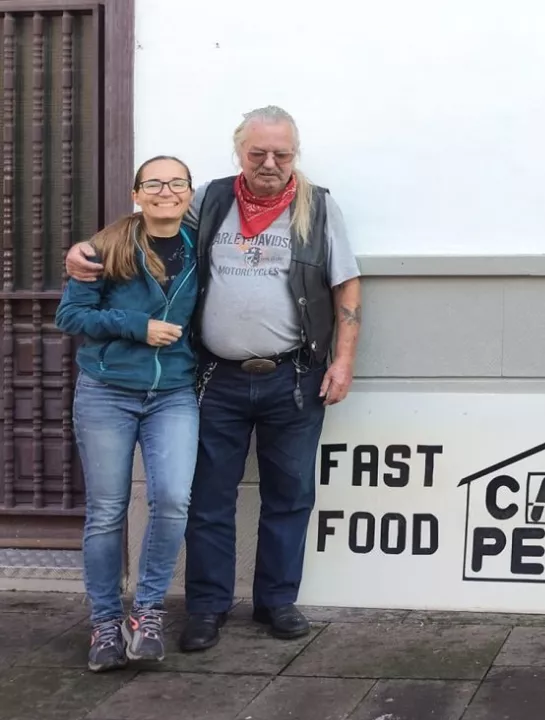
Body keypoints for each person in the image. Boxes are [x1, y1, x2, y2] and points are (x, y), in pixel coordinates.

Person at [65, 105, 363, 653]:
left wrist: (343, 361)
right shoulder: (211, 198)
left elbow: (346, 286)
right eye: (257, 153)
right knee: (206, 499)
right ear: (239, 152)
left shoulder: (318, 207)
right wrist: (84, 249)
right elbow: (153, 220)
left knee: (290, 494)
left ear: (296, 153)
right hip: (214, 378)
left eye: (282, 153)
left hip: (294, 375)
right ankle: (206, 607)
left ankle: (277, 601)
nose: (270, 163)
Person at [55, 156, 199, 672]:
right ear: (137, 193)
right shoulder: (105, 247)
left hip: (174, 394)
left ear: (189, 192)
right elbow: (69, 315)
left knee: (172, 500)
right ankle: (104, 621)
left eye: (177, 182)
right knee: (108, 511)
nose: (167, 190)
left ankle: (147, 612)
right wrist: (137, 325)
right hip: (107, 393)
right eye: (155, 183)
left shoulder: (198, 245)